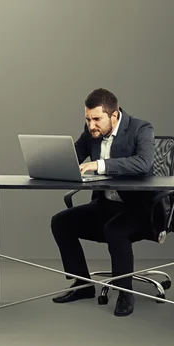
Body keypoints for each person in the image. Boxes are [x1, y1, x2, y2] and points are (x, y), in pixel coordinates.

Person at [50, 88, 154, 317]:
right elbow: (73, 157)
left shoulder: (140, 128)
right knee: (60, 222)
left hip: (139, 210)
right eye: (87, 119)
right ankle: (82, 285)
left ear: (114, 116)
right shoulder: (91, 133)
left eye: (96, 119)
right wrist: (48, 163)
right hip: (105, 205)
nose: (91, 125)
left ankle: (125, 292)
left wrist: (99, 165)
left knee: (115, 230)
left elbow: (144, 163)